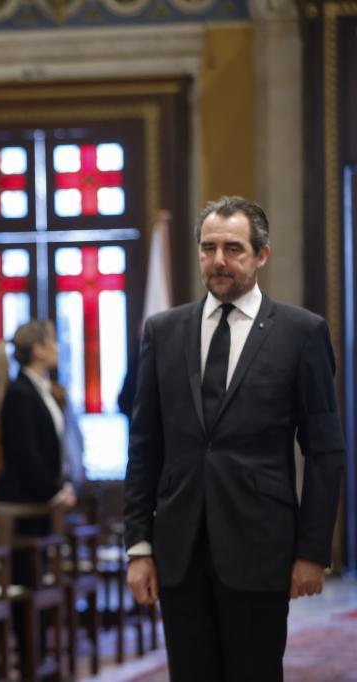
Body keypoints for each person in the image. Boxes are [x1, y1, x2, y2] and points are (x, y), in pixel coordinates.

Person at [124, 196, 344, 681]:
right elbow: (144, 446)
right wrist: (139, 545)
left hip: (261, 546)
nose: (218, 260)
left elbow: (326, 451)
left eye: (233, 248)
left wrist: (311, 550)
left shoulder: (300, 332)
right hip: (180, 550)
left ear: (261, 255)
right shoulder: (164, 331)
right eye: (208, 248)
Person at [0, 320, 76, 516]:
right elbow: (25, 452)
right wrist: (52, 492)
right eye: (53, 341)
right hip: (25, 500)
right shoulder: (19, 392)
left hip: (43, 497)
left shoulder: (43, 389)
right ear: (38, 350)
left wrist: (62, 486)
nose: (57, 347)